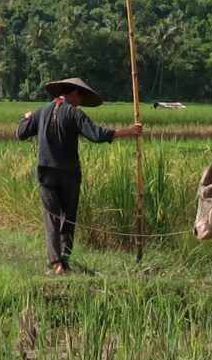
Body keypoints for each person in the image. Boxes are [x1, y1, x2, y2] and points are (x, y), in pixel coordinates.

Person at [17, 78, 139, 274]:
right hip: (69, 174)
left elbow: (21, 133)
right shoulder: (74, 113)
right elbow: (97, 135)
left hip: (46, 172)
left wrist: (25, 118)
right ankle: (63, 260)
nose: (81, 100)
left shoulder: (41, 111)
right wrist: (128, 131)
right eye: (81, 96)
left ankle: (57, 263)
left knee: (52, 217)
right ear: (74, 92)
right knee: (68, 217)